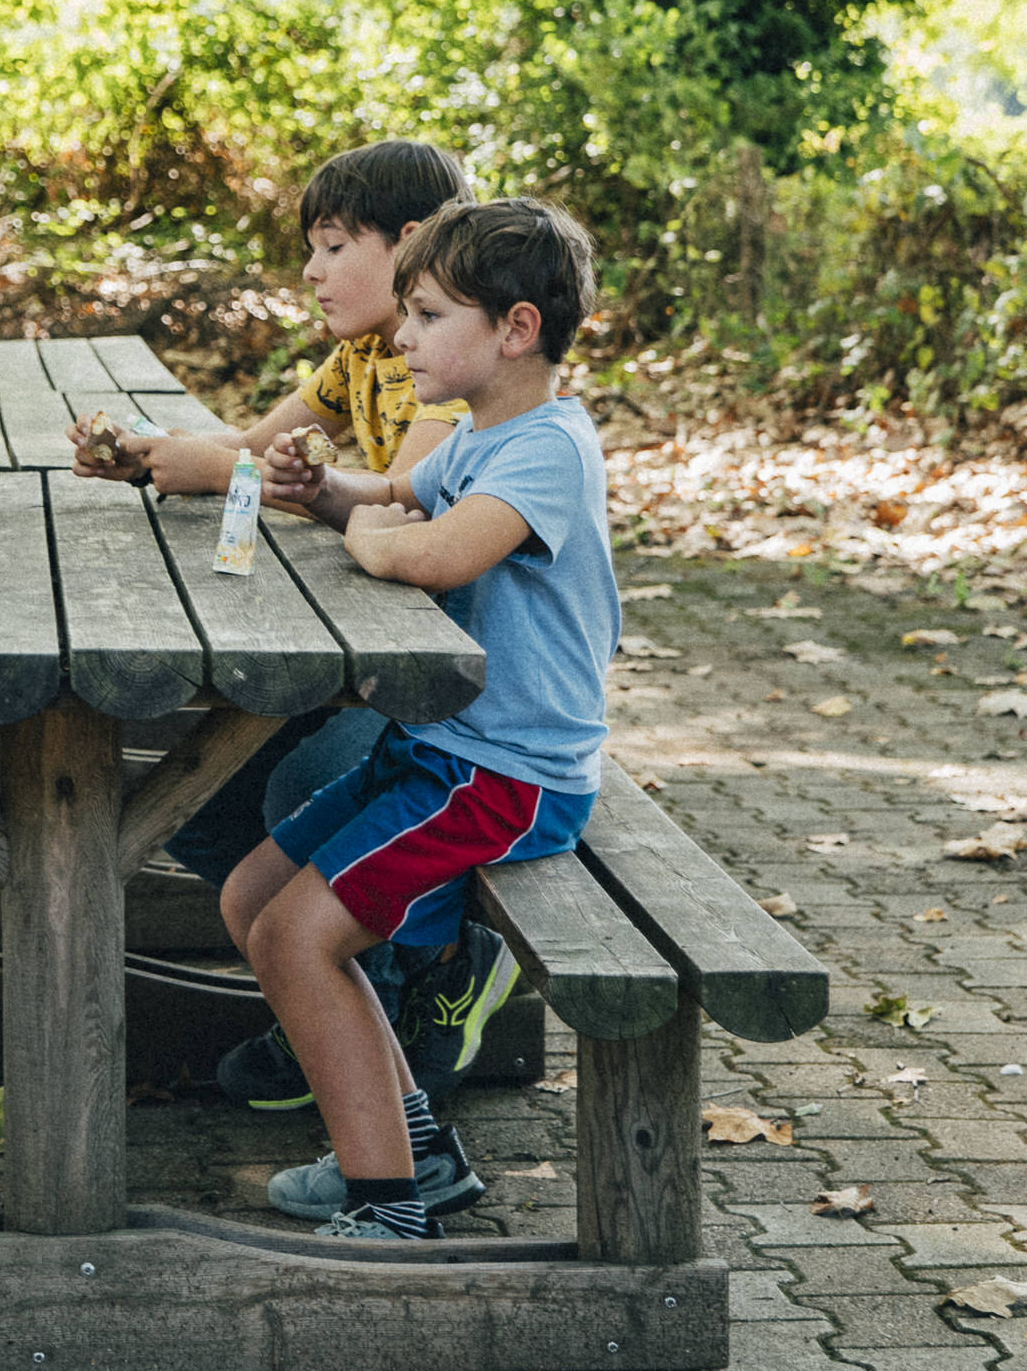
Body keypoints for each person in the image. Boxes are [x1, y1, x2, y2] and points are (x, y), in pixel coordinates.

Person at [68, 139, 519, 1109]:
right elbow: (255, 449)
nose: (310, 272)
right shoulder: (361, 354)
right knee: (200, 796)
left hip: (448, 689)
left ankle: (402, 1005)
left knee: (303, 786)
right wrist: (147, 455)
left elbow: (405, 506)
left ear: (411, 244)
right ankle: (318, 996)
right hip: (381, 651)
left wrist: (226, 473)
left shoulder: (445, 382)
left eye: (330, 246)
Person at [229, 197, 619, 1239]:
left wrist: (374, 540)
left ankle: (390, 1207)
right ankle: (418, 1150)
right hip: (442, 751)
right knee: (253, 898)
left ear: (516, 330)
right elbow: (391, 500)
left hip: (506, 777)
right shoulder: (482, 439)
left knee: (302, 938)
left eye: (430, 315)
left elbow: (434, 550)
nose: (401, 338)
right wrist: (321, 493)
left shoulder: (545, 450)